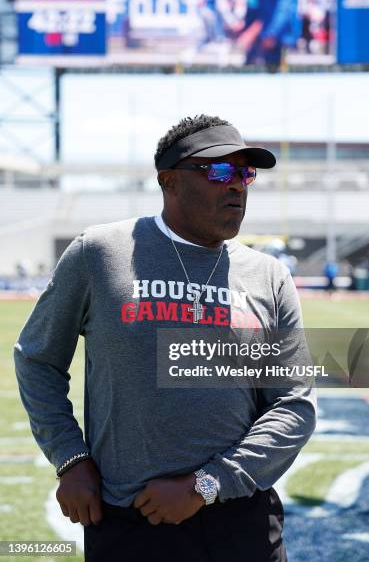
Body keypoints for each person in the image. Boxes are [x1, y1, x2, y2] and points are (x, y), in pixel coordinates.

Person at [14, 114, 316, 562]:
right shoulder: (98, 253)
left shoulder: (269, 276)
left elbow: (293, 404)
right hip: (128, 519)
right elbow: (37, 359)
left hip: (241, 519)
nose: (237, 185)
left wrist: (206, 485)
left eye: (245, 173)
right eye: (218, 171)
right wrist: (70, 458)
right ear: (169, 181)